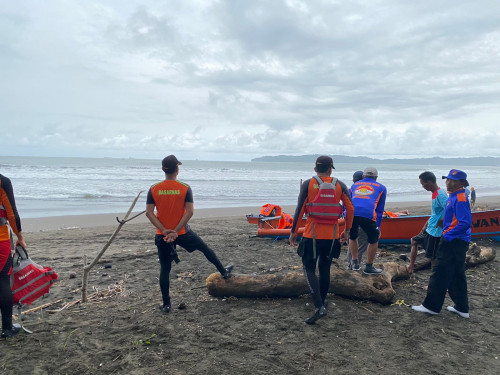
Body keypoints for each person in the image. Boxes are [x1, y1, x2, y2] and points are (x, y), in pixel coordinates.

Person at [146, 155, 233, 314]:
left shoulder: (154, 188)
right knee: (204, 248)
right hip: (183, 232)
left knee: (165, 269)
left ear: (163, 170)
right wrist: (176, 231)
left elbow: (149, 213)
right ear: (177, 170)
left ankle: (166, 304)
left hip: (162, 235)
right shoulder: (185, 188)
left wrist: (165, 230)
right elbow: (190, 211)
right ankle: (224, 272)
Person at [289, 156, 354, 324]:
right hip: (331, 236)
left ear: (315, 169)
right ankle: (323, 300)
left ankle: (318, 306)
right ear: (330, 169)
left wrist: (293, 232)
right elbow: (350, 208)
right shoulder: (340, 185)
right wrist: (346, 230)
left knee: (309, 269)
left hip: (312, 235)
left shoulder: (308, 184)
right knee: (324, 269)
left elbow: (300, 209)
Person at [412, 169, 472, 318]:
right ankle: (462, 308)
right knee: (457, 274)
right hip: (457, 240)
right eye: (447, 179)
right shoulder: (455, 195)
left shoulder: (461, 197)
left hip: (454, 241)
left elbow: (466, 222)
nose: (448, 182)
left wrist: (447, 235)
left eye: (452, 180)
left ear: (461, 183)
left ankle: (431, 306)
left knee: (439, 272)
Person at [0, 174, 26, 338]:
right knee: (3, 281)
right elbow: (11, 213)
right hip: (0, 240)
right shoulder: (3, 182)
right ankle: (7, 328)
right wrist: (20, 237)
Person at [348, 167, 387, 275]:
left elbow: (349, 201)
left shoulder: (354, 185)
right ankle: (369, 266)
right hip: (368, 215)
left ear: (363, 176)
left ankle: (355, 262)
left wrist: (346, 216)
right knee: (374, 239)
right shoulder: (382, 188)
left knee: (353, 236)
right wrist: (378, 226)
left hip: (352, 214)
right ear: (376, 177)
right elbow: (379, 209)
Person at [407, 171, 447, 273]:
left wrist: (442, 221)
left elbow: (450, 210)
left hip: (436, 231)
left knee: (433, 257)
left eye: (422, 183)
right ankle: (411, 267)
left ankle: (434, 283)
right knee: (414, 241)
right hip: (430, 228)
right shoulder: (434, 193)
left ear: (429, 182)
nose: (422, 186)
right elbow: (435, 213)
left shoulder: (440, 194)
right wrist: (426, 224)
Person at [346, 171, 369, 270]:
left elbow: (345, 208)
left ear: (353, 180)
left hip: (351, 220)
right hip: (364, 220)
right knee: (361, 245)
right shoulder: (368, 191)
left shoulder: (350, 190)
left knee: (352, 243)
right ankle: (355, 266)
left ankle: (350, 265)